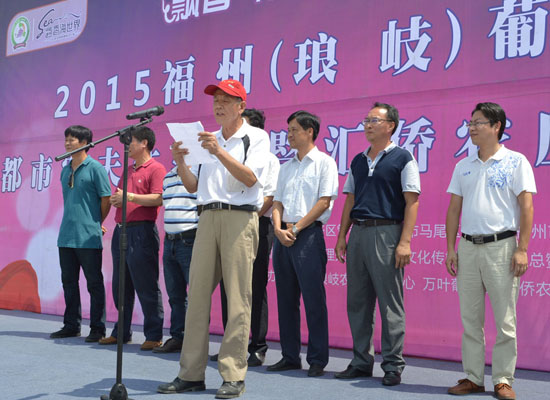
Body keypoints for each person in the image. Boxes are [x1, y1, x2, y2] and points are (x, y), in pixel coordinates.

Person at [158, 79, 270, 399]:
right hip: (206, 217)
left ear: (241, 106)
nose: (218, 105)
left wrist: (217, 151)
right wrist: (181, 160)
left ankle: (233, 375)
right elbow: (193, 186)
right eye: (215, 99)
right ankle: (191, 374)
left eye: (226, 100)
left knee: (237, 299)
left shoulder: (255, 137)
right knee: (197, 298)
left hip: (239, 217)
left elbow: (250, 178)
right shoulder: (208, 139)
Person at [445, 102, 536, 400]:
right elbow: (454, 209)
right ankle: (473, 377)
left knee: (505, 320)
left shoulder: (516, 161)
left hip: (502, 247)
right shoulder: (463, 165)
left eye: (478, 122)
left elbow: (526, 207)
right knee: (470, 319)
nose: (471, 127)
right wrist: (451, 248)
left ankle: (503, 379)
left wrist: (522, 248)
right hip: (468, 248)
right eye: (470, 122)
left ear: (496, 126)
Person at [334, 102, 420, 386]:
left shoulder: (403, 158)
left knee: (390, 303)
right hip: (358, 233)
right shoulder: (358, 161)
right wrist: (342, 235)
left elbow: (412, 201)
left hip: (387, 233)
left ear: (390, 125)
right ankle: (361, 361)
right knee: (358, 302)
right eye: (366, 120)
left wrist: (405, 241)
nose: (368, 125)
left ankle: (393, 365)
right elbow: (350, 199)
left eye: (374, 120)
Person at [266, 110, 338, 377]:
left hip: (307, 235)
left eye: (294, 130)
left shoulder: (324, 163)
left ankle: (317, 359)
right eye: (288, 130)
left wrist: (295, 228)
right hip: (283, 235)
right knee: (285, 299)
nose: (289, 135)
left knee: (313, 298)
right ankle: (289, 356)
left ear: (310, 131)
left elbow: (324, 202)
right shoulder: (286, 167)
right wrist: (277, 228)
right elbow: (277, 202)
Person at [214, 108, 280, 367]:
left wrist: (247, 217)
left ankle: (257, 345)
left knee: (255, 286)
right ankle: (231, 345)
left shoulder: (269, 159)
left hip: (256, 225)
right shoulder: (228, 156)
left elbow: (269, 197)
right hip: (228, 224)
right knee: (227, 286)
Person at [99, 126, 166, 351]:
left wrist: (130, 197)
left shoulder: (156, 168)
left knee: (146, 284)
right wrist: (117, 200)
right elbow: (120, 196)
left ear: (144, 143)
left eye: (131, 141)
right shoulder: (128, 170)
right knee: (121, 285)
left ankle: (154, 334)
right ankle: (121, 332)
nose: (127, 146)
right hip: (121, 230)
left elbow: (158, 198)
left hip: (142, 231)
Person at [51, 125, 111, 342]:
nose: (67, 143)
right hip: (66, 236)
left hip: (88, 237)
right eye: (66, 139)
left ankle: (97, 328)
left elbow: (106, 199)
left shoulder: (96, 168)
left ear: (85, 143)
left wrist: (96, 223)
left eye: (72, 139)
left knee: (94, 283)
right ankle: (71, 325)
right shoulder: (65, 169)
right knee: (69, 282)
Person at [152, 165, 199, 353]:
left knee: (197, 295)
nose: (176, 151)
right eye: (173, 149)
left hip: (190, 239)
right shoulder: (169, 176)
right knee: (175, 295)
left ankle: (196, 342)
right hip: (169, 240)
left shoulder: (199, 172)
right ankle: (178, 336)